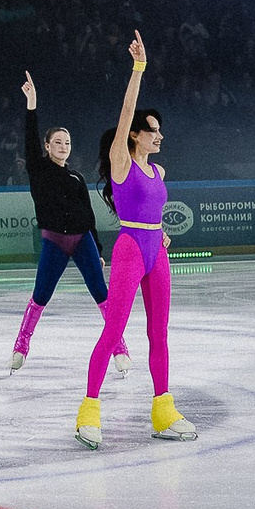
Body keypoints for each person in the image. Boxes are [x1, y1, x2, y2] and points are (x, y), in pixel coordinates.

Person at [76, 32, 196, 449]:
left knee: (159, 333)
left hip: (155, 253)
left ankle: (163, 411)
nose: (160, 136)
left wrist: (160, 231)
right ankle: (88, 412)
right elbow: (126, 112)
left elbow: (153, 214)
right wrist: (138, 69)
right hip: (129, 250)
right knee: (114, 332)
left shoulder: (159, 173)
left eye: (160, 131)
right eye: (153, 131)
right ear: (135, 136)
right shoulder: (121, 162)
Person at [9, 71, 128, 377]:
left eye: (67, 142)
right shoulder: (38, 169)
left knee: (102, 294)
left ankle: (120, 347)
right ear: (47, 146)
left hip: (82, 240)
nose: (64, 146)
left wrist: (98, 248)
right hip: (54, 242)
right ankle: (21, 345)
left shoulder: (76, 177)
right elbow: (29, 136)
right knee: (41, 295)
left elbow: (88, 216)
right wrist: (32, 104)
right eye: (58, 142)